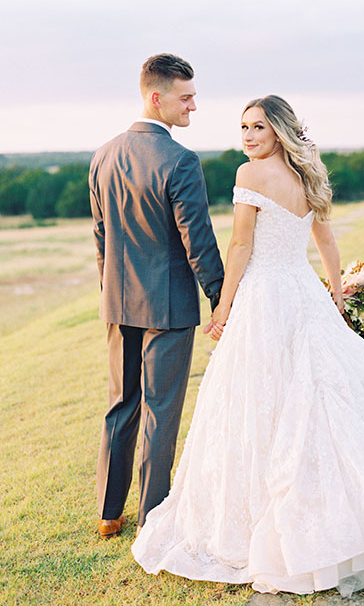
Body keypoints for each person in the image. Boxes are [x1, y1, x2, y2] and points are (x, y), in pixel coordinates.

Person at [132, 95, 364, 597]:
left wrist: (223, 307)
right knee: (316, 401)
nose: (248, 137)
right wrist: (336, 298)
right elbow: (327, 243)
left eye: (257, 127)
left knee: (264, 401)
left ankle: (276, 520)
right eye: (243, 128)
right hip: (302, 294)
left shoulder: (250, 175)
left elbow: (239, 247)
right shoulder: (309, 175)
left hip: (264, 297)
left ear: (277, 130)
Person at [89, 53, 224, 540]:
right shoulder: (181, 161)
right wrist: (220, 298)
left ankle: (109, 512)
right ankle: (152, 517)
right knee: (160, 411)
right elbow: (199, 241)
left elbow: (102, 237)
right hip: (168, 308)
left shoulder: (103, 154)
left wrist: (111, 291)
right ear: (156, 97)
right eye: (186, 97)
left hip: (117, 303)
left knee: (120, 403)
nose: (193, 106)